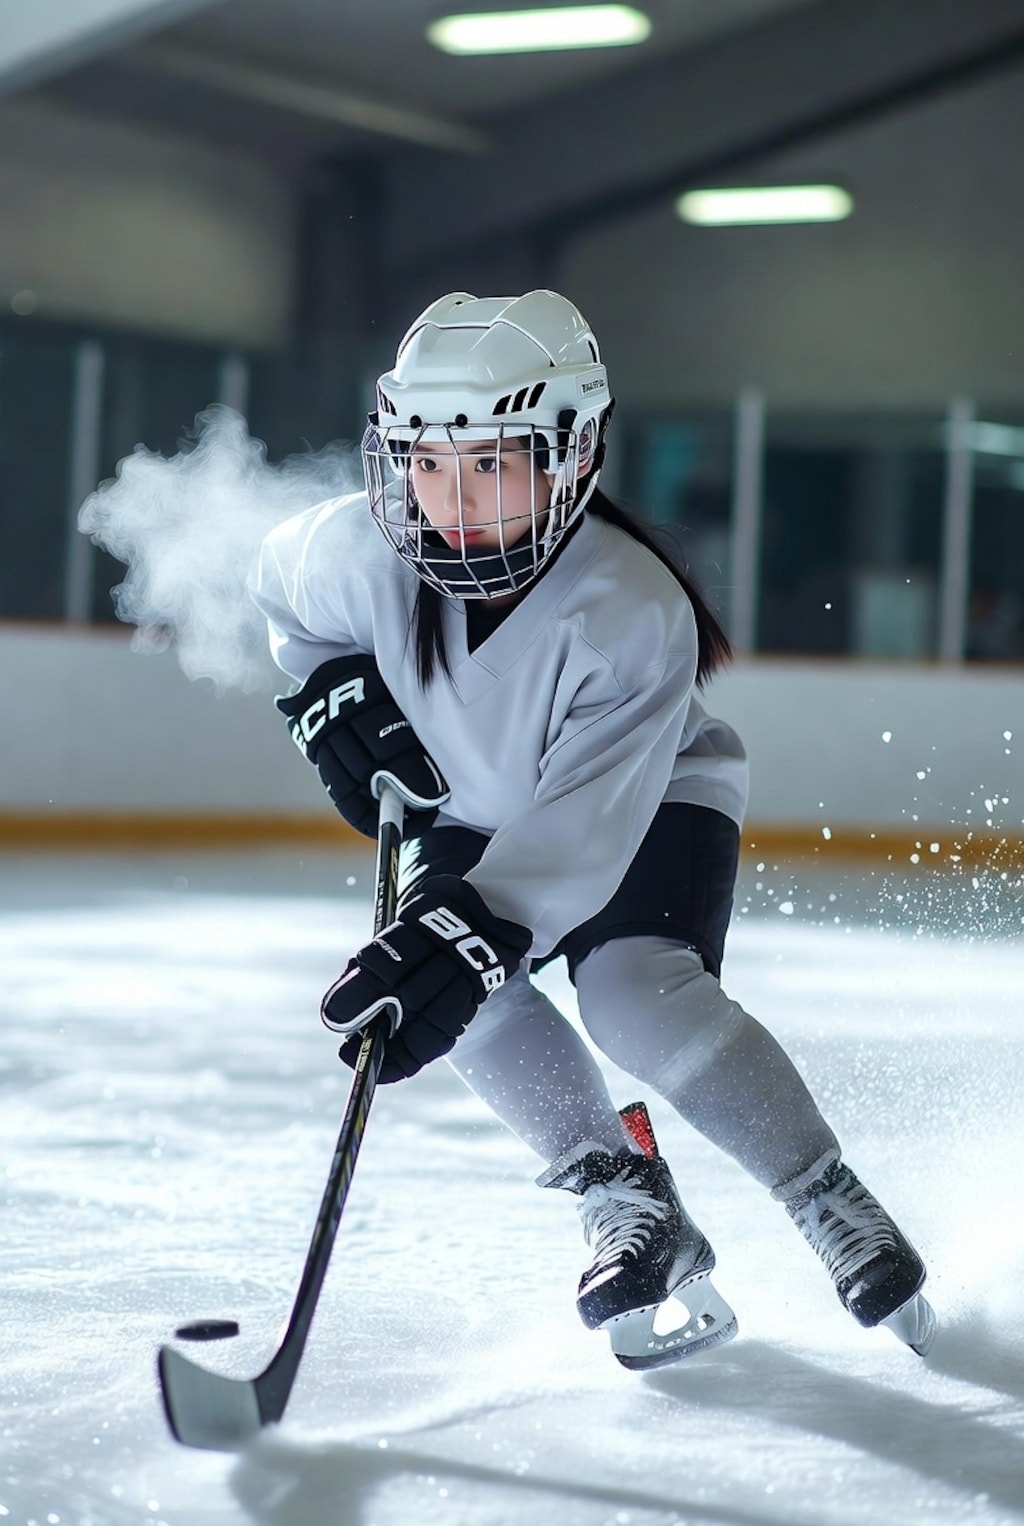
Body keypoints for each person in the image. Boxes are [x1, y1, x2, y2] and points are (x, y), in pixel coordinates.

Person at [250, 290, 935, 1368]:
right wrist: (324, 687)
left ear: (570, 453)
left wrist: (472, 933)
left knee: (630, 992)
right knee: (455, 998)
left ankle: (822, 1191)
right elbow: (279, 590)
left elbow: (576, 840)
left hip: (646, 795)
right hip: (471, 811)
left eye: (489, 462)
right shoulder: (352, 548)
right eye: (426, 460)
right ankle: (624, 1198)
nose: (451, 500)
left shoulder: (628, 610)